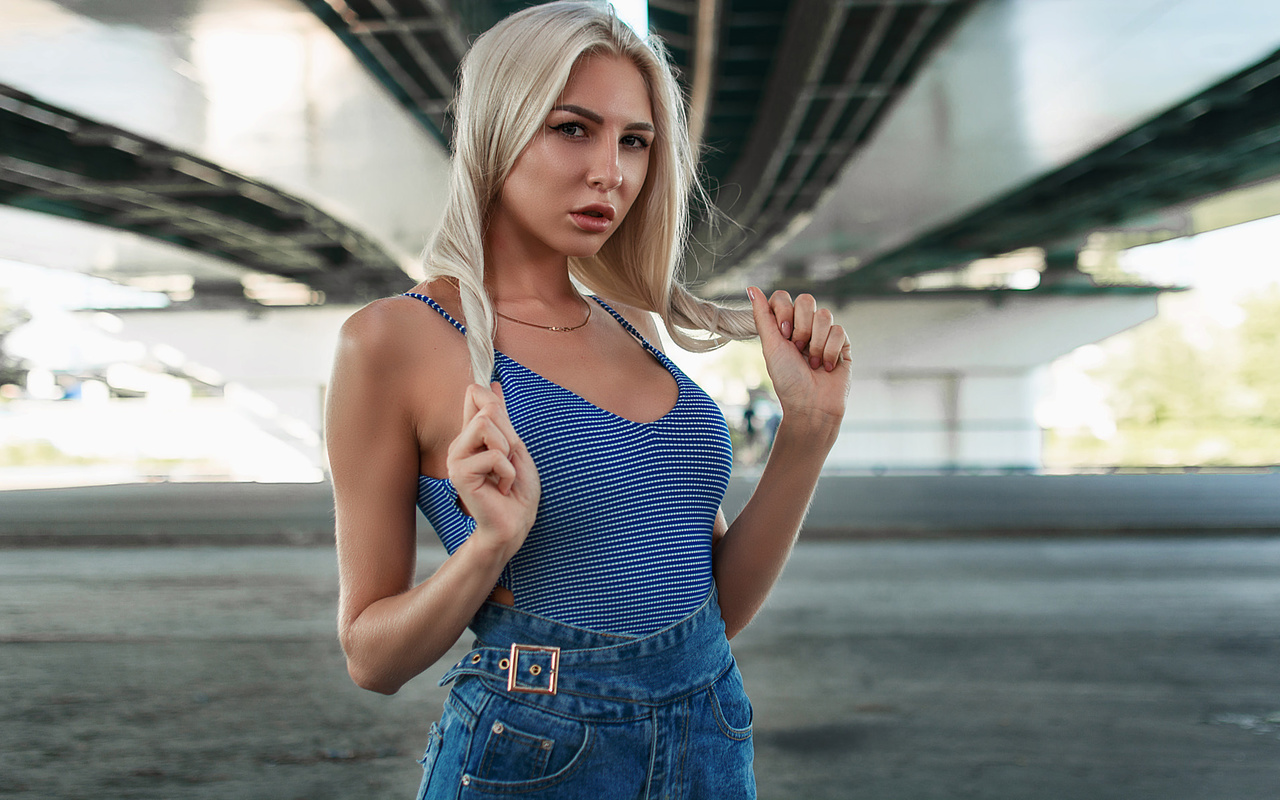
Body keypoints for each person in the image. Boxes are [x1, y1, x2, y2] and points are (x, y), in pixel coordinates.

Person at [324, 2, 851, 797]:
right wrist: (488, 547)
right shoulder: (394, 341)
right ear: (499, 129)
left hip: (709, 730)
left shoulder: (632, 323)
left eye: (634, 141)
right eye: (574, 128)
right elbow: (371, 658)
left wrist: (808, 433)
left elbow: (713, 609)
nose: (613, 171)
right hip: (536, 749)